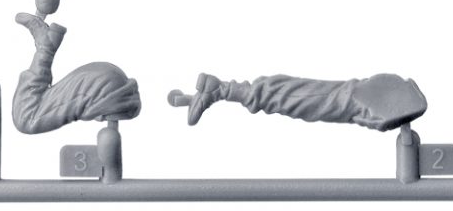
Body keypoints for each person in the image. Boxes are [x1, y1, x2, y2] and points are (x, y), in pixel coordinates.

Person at [12, 13, 141, 134]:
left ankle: (46, 47)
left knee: (28, 119)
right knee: (27, 119)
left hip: (106, 87)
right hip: (106, 85)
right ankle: (46, 46)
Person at [169, 72, 427, 132]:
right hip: (375, 100)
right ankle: (221, 89)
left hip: (382, 98)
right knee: (312, 99)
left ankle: (222, 90)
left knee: (319, 98)